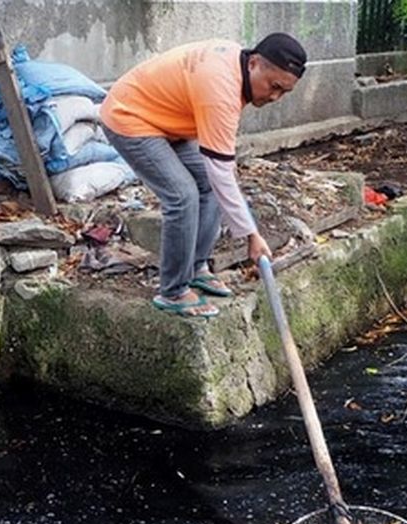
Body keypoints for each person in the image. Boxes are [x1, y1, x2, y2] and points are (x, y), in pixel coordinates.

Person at [101, 33, 306, 317]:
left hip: (167, 120)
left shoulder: (238, 64)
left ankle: (196, 267)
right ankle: (173, 290)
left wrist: (247, 227)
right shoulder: (221, 88)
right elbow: (222, 171)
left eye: (284, 92)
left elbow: (220, 170)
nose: (274, 97)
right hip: (129, 115)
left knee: (209, 183)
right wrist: (251, 235)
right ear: (254, 63)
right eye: (273, 87)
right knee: (182, 195)